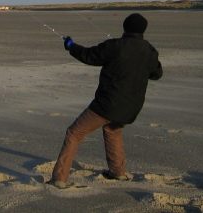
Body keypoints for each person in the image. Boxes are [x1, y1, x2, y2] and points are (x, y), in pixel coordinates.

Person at [49, 13, 162, 188]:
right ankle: (117, 173)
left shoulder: (116, 46)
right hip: (130, 108)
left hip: (107, 105)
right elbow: (157, 73)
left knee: (74, 133)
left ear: (125, 27)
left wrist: (70, 45)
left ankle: (59, 178)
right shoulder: (149, 51)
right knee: (112, 129)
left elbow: (89, 56)